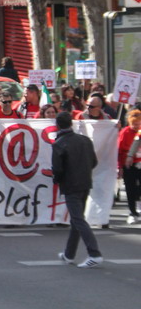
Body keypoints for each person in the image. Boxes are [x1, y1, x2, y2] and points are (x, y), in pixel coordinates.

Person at [52, 111, 102, 268]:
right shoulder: (85, 140)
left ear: (57, 125)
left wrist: (58, 180)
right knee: (76, 219)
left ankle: (94, 253)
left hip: (71, 185)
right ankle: (69, 253)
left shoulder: (59, 143)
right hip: (85, 182)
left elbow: (58, 169)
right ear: (71, 123)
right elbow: (94, 161)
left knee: (78, 220)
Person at [117, 110, 141, 224]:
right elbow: (119, 151)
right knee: (130, 189)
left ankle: (138, 205)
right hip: (128, 164)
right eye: (134, 124)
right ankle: (132, 212)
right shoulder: (124, 132)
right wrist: (120, 167)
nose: (137, 126)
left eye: (139, 124)